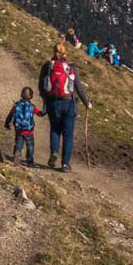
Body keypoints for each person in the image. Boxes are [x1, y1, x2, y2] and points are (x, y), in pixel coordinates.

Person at [38, 42, 92, 172]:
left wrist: (45, 101)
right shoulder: (71, 67)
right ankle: (65, 165)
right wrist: (87, 103)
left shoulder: (47, 66)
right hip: (68, 104)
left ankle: (54, 152)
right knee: (68, 135)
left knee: (55, 130)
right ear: (66, 53)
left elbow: (41, 86)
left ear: (54, 51)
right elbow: (78, 87)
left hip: (52, 103)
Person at [4, 86, 45, 166]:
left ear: (21, 95)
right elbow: (40, 114)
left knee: (19, 143)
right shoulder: (32, 106)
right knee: (30, 145)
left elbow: (10, 115)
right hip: (29, 131)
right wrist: (45, 110)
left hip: (19, 129)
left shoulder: (16, 105)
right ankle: (29, 161)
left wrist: (7, 124)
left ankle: (17, 153)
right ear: (31, 96)